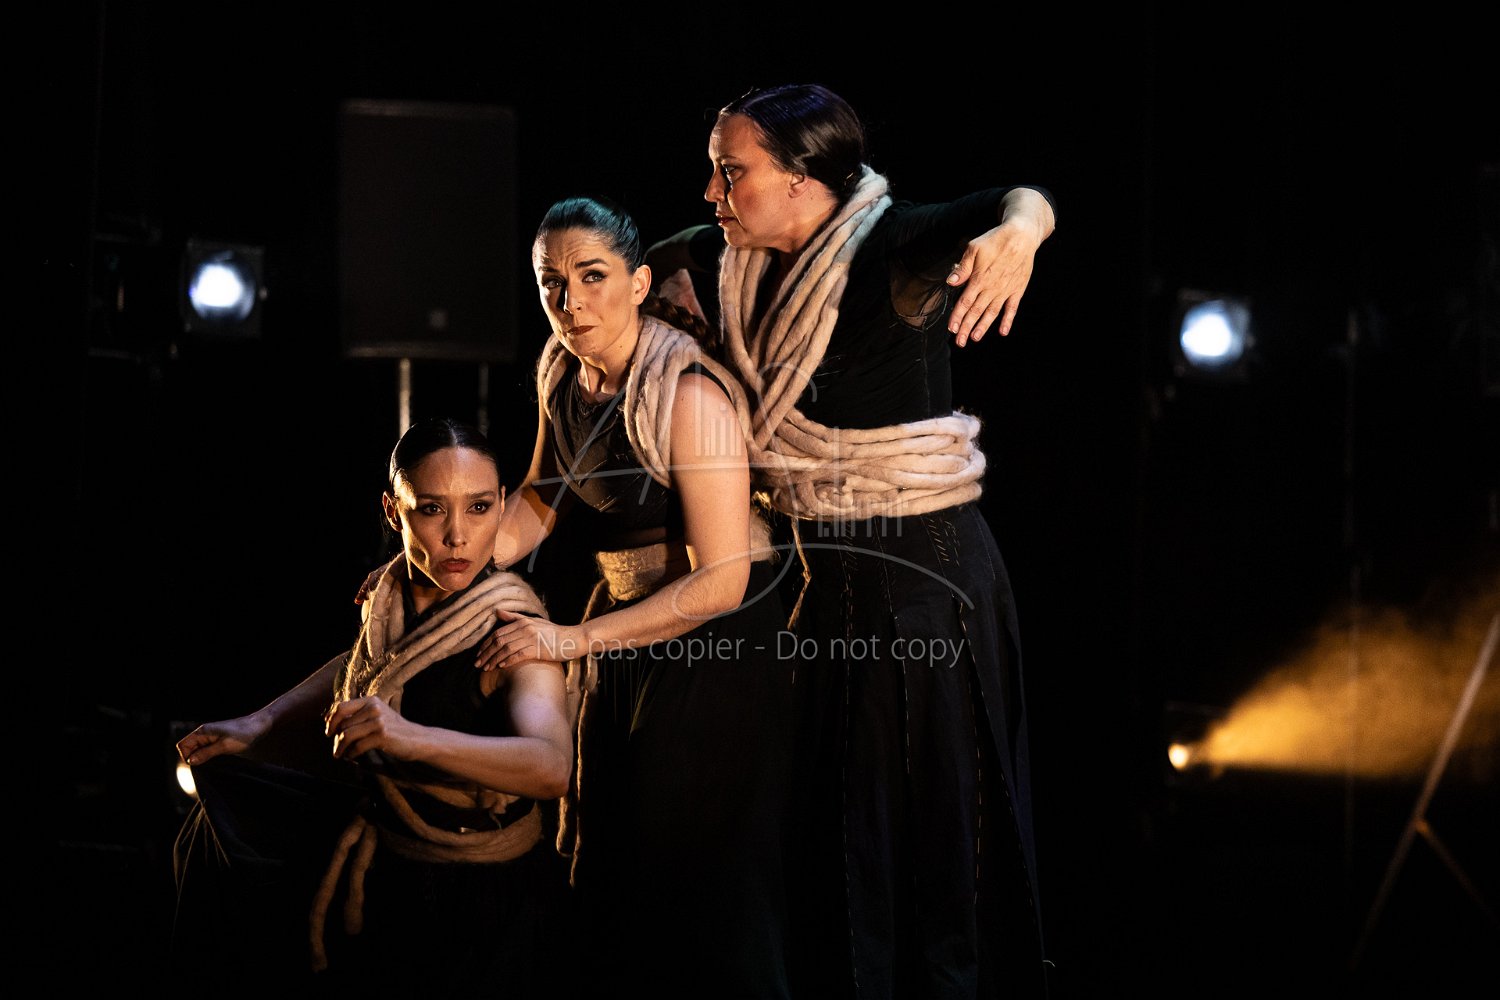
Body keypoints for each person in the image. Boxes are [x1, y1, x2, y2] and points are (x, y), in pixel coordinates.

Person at [645, 83, 1058, 998]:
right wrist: (659, 290)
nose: (712, 192)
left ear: (803, 179)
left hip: (923, 588)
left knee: (930, 856)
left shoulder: (897, 247)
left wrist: (1022, 236)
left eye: (731, 172)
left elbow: (1018, 201)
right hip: (816, 588)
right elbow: (655, 255)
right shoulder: (734, 261)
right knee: (832, 858)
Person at [470, 195, 797, 997]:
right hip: (631, 632)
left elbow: (723, 579)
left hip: (719, 646)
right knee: (611, 867)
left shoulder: (688, 394)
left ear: (640, 283)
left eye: (593, 277)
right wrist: (439, 558)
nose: (571, 302)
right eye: (552, 283)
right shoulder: (564, 375)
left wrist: (571, 640)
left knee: (692, 884)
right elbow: (541, 498)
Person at [172, 417, 576, 994]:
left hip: (482, 908)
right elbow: (375, 667)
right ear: (393, 511)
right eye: (431, 510)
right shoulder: (389, 594)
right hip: (392, 876)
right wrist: (262, 722)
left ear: (502, 502)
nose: (458, 536)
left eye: (480, 508)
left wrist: (408, 736)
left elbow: (551, 765)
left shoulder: (514, 628)